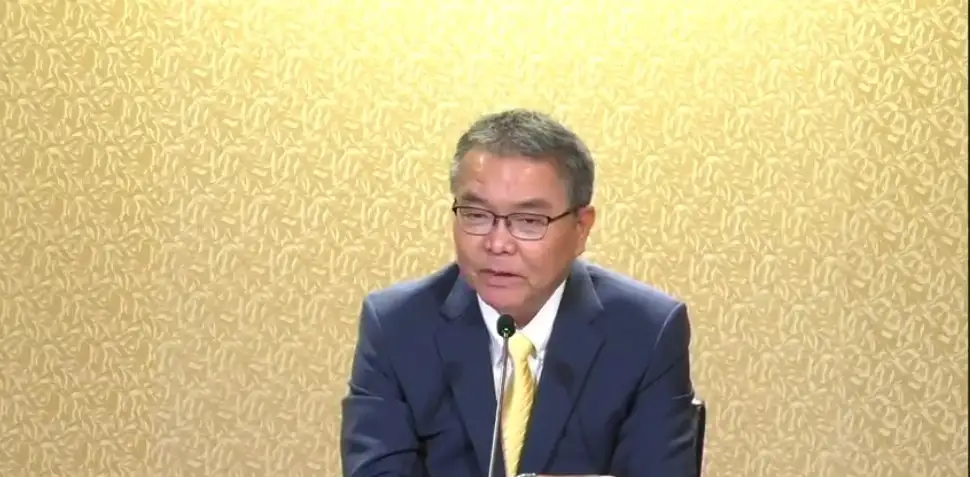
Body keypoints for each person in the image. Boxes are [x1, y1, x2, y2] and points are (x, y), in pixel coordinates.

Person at [340, 109, 699, 477]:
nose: (497, 244)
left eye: (529, 221)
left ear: (581, 228)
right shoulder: (397, 327)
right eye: (476, 214)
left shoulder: (646, 332)